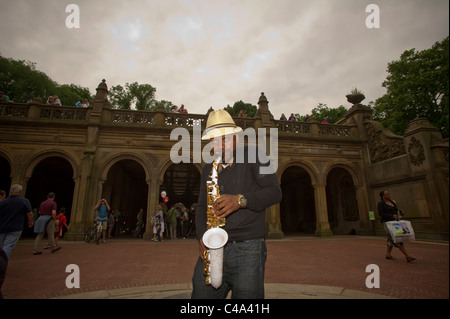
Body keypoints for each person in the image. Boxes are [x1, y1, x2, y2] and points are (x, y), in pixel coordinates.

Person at [191, 109, 282, 299]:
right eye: (214, 141)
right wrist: (201, 236)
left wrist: (240, 200)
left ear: (237, 139)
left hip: (248, 248)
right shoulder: (208, 167)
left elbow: (275, 192)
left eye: (224, 139)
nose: (219, 146)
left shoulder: (255, 154)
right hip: (212, 248)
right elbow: (201, 206)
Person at [377, 190, 416, 262]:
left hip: (395, 222)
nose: (389, 195)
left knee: (390, 239)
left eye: (389, 193)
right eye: (387, 194)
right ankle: (407, 255)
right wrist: (391, 215)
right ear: (383, 196)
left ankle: (388, 254)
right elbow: (381, 213)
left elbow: (396, 210)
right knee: (396, 237)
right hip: (387, 223)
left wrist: (400, 213)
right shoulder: (381, 204)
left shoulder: (392, 202)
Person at [0, 184, 33, 258]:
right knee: (8, 246)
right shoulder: (24, 201)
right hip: (16, 227)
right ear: (20, 191)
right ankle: (2, 262)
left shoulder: (3, 202)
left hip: (2, 227)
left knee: (1, 245)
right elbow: (30, 213)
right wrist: (30, 221)